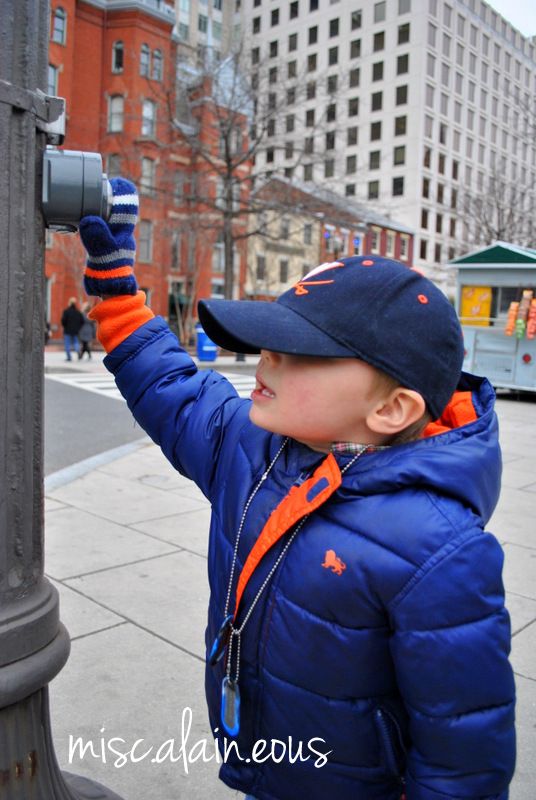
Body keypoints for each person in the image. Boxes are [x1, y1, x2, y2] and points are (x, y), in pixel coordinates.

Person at [78, 179, 516, 800]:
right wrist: (115, 283)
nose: (263, 359)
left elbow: (464, 746)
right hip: (268, 757)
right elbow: (169, 387)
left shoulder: (439, 548)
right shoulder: (251, 447)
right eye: (268, 341)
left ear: (392, 408)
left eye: (296, 351)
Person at [60, 296, 83, 361]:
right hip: (76, 330)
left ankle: (69, 357)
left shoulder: (66, 311)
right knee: (76, 342)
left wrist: (65, 326)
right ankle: (77, 350)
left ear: (69, 303)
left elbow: (63, 321)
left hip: (67, 330)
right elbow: (82, 321)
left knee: (67, 343)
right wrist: (78, 327)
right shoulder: (78, 312)